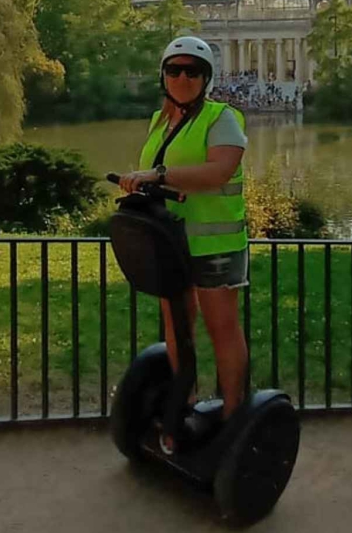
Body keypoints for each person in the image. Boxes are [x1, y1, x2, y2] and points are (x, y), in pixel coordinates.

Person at [117, 35, 250, 435]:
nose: (182, 77)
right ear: (163, 75)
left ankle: (234, 414)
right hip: (169, 242)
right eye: (174, 70)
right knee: (177, 326)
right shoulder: (159, 122)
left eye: (193, 71)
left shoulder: (222, 117)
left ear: (205, 77)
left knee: (221, 328)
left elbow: (219, 171)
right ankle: (185, 403)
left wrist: (157, 176)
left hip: (215, 243)